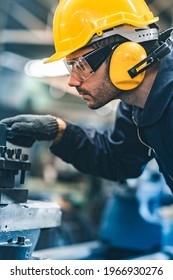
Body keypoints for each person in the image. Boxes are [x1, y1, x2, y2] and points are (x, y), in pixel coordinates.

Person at [1, 0, 173, 194]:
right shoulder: (135, 105)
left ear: (126, 55)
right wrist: (58, 131)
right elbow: (118, 158)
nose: (72, 81)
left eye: (80, 65)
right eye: (70, 66)